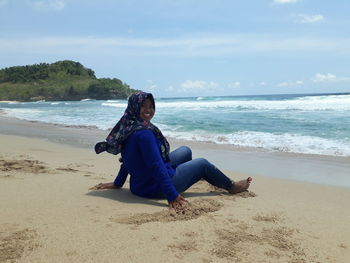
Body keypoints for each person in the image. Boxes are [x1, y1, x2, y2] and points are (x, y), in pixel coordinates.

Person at [93, 92, 252, 212]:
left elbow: (129, 160)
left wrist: (117, 183)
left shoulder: (127, 128)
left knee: (185, 151)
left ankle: (200, 176)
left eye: (151, 106)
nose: (149, 110)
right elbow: (155, 164)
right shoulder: (144, 133)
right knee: (202, 163)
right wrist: (172, 196)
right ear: (135, 108)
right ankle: (231, 187)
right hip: (155, 188)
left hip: (138, 185)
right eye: (144, 106)